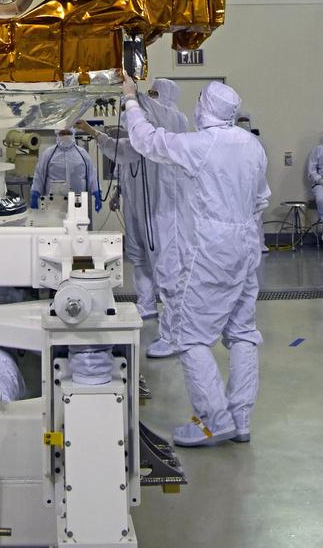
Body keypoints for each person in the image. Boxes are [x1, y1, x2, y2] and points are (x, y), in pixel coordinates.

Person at [122, 75, 270, 448]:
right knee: (242, 332)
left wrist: (130, 100)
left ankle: (214, 420)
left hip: (212, 250)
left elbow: (147, 141)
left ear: (206, 108)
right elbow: (260, 200)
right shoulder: (252, 146)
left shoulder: (203, 145)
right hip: (246, 243)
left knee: (190, 336)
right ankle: (240, 417)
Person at [78, 118, 158, 319]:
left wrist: (90, 130)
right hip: (133, 211)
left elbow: (117, 149)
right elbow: (123, 169)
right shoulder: (132, 147)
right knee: (138, 257)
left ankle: (169, 311)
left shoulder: (154, 145)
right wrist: (116, 194)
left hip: (156, 212)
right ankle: (147, 304)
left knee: (158, 260)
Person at [140, 79, 194, 358]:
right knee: (166, 269)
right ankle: (175, 332)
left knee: (171, 271)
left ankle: (174, 337)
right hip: (165, 208)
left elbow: (152, 110)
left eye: (155, 93)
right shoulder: (164, 127)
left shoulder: (175, 117)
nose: (152, 98)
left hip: (174, 212)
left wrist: (129, 93)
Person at [29, 124, 101, 212]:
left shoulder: (82, 153)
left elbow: (92, 175)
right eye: (63, 133)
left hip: (78, 201)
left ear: (73, 133)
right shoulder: (49, 153)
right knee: (55, 224)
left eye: (68, 133)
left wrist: (97, 193)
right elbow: (39, 175)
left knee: (78, 224)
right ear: (57, 134)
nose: (66, 135)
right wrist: (35, 194)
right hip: (54, 202)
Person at [237, 112, 268, 254]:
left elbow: (262, 161)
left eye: (245, 120)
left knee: (257, 215)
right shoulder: (231, 138)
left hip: (253, 182)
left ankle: (259, 244)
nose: (243, 123)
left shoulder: (256, 140)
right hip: (236, 183)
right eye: (240, 120)